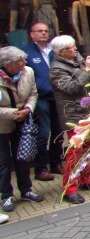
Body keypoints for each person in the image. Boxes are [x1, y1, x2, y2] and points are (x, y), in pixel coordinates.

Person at [49, 36, 90, 204]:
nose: (75, 49)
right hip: (73, 115)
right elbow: (72, 87)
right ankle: (69, 189)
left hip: (86, 112)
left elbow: (88, 80)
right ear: (61, 52)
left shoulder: (76, 61)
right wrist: (87, 69)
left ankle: (85, 179)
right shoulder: (56, 69)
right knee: (75, 152)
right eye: (71, 48)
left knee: (89, 148)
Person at [0, 46, 44, 214]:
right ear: (8, 65)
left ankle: (26, 190)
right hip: (2, 124)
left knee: (23, 157)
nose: (25, 62)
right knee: (4, 161)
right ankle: (6, 195)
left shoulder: (28, 72)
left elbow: (33, 93)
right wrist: (13, 113)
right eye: (20, 61)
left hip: (23, 122)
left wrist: (27, 110)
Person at [21, 23, 64, 181]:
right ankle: (40, 168)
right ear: (32, 34)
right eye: (40, 31)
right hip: (40, 98)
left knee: (58, 132)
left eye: (46, 31)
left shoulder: (54, 51)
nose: (44, 33)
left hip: (57, 96)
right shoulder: (26, 52)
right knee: (43, 133)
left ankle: (56, 163)